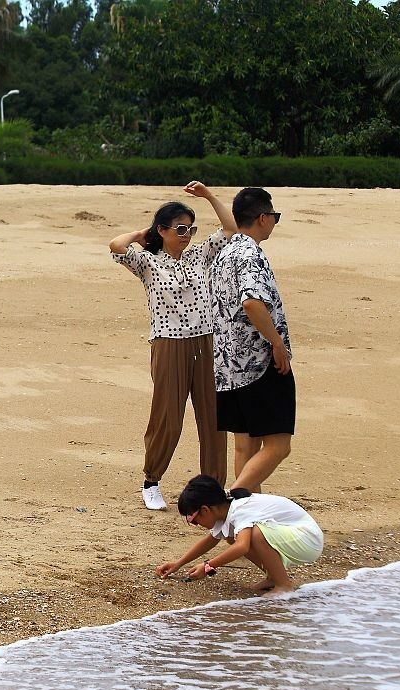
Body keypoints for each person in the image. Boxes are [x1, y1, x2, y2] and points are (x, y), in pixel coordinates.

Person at [109, 182, 236, 511]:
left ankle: (213, 487)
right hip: (168, 344)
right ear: (162, 230)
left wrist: (208, 196)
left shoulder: (199, 255)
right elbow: (116, 244)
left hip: (206, 341)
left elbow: (231, 228)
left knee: (213, 417)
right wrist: (143, 233)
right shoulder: (149, 263)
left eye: (191, 229)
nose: (187, 235)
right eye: (180, 228)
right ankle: (152, 480)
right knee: (169, 417)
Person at [210, 188, 292, 492]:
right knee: (278, 445)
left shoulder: (226, 252)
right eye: (274, 217)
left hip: (228, 365)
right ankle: (237, 497)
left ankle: (247, 517)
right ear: (262, 217)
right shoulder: (249, 254)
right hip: (257, 362)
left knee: (245, 446)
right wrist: (276, 343)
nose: (273, 222)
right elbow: (252, 303)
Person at [156, 474, 323, 594]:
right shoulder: (224, 508)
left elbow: (242, 547)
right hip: (294, 535)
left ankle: (283, 585)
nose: (195, 524)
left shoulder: (240, 509)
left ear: (205, 510)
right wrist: (178, 564)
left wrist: (207, 567)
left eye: (193, 519)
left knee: (255, 535)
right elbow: (210, 540)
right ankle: (273, 577)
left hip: (308, 539)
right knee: (232, 537)